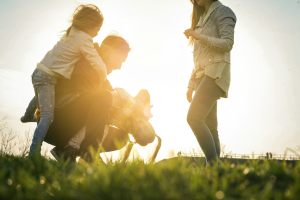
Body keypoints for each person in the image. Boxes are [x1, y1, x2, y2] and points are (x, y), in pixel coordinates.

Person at [43, 34, 158, 163]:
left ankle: (70, 151)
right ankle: (86, 151)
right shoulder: (86, 63)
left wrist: (120, 117)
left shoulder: (101, 75)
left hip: (69, 128)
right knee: (106, 98)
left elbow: (116, 96)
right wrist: (118, 112)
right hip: (55, 123)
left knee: (121, 138)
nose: (119, 66)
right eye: (118, 60)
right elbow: (95, 99)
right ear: (105, 51)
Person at [21, 4, 107, 155]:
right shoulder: (84, 39)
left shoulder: (72, 32)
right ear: (89, 27)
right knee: (47, 117)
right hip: (46, 78)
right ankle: (33, 154)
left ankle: (27, 116)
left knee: (43, 95)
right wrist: (103, 77)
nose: (97, 34)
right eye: (97, 30)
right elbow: (96, 61)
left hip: (39, 73)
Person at [184, 0, 236, 165]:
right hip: (201, 75)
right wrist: (190, 84)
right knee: (210, 126)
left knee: (193, 118)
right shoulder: (202, 18)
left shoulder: (223, 11)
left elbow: (228, 44)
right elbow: (201, 56)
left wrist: (199, 36)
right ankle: (215, 170)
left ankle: (212, 166)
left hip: (215, 73)